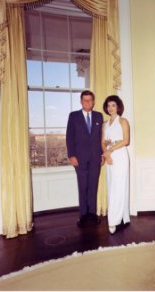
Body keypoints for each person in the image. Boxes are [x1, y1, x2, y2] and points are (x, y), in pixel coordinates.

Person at [66, 90, 104, 227]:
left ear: (93, 102)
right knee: (83, 186)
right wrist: (71, 155)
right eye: (85, 100)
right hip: (79, 159)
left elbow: (102, 138)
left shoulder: (99, 116)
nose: (88, 102)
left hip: (95, 158)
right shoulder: (73, 116)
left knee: (93, 186)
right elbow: (69, 137)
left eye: (90, 100)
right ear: (81, 102)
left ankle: (92, 214)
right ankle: (82, 215)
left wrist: (103, 154)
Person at [102, 95, 130, 234]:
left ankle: (113, 220)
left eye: (113, 105)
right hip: (109, 158)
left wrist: (110, 150)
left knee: (119, 187)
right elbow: (102, 142)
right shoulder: (104, 124)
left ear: (118, 107)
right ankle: (124, 217)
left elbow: (126, 141)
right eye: (108, 106)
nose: (110, 108)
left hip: (120, 156)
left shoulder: (123, 121)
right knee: (112, 186)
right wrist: (106, 154)